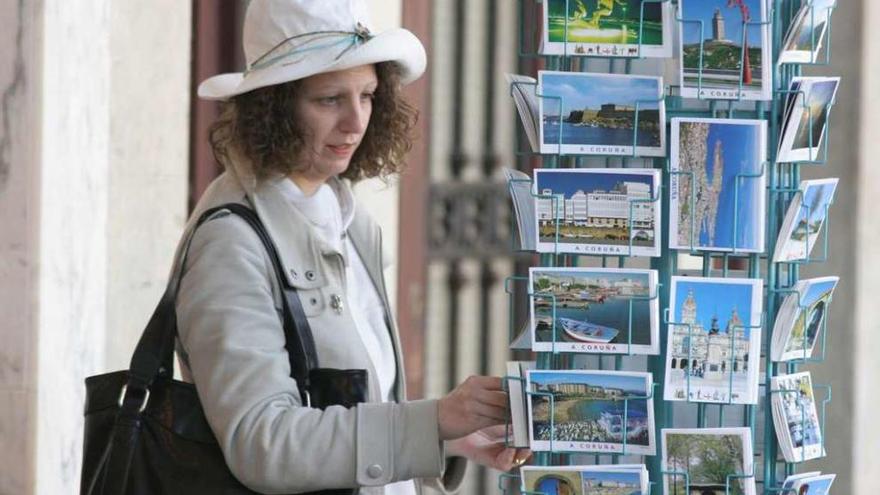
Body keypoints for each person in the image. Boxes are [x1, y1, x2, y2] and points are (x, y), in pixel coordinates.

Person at [172, 1, 529, 493]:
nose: (356, 121)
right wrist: (431, 422)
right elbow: (263, 442)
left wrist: (446, 437)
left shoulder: (351, 221)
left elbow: (341, 409)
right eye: (328, 99)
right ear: (272, 107)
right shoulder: (232, 241)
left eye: (368, 95)